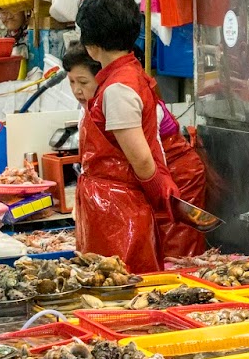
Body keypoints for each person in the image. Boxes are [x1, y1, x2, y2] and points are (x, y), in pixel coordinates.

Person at [71, 0, 185, 272]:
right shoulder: (127, 76)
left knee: (119, 289)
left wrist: (158, 188)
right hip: (114, 203)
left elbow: (141, 157)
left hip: (117, 209)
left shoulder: (118, 88)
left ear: (91, 46)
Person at [63, 45, 207, 261]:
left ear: (101, 77)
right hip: (147, 178)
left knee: (176, 254)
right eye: (71, 82)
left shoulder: (122, 95)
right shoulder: (94, 104)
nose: (77, 90)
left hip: (175, 174)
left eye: (83, 82)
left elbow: (145, 157)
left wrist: (158, 186)